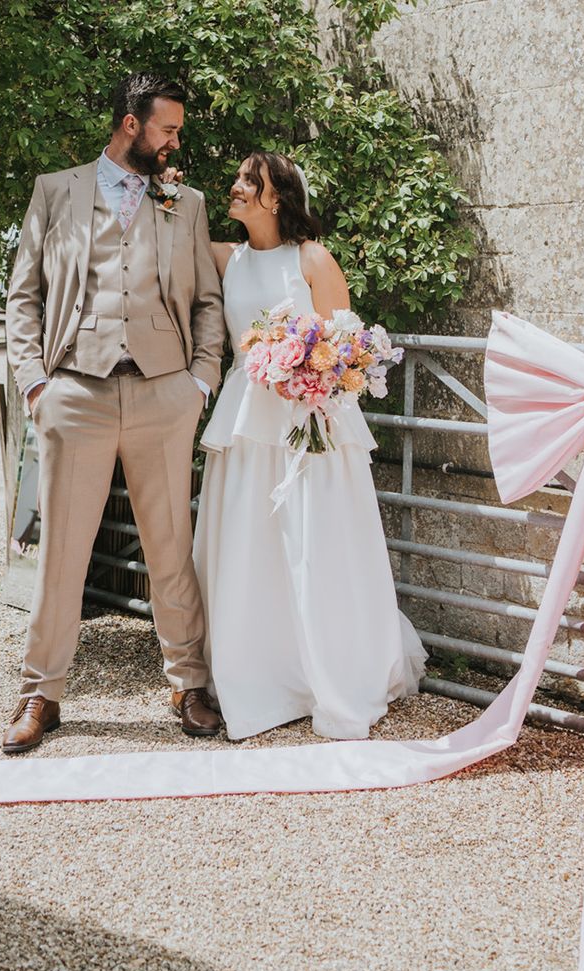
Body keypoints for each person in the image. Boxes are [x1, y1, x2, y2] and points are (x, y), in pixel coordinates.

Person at [2, 72, 225, 753]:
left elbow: (207, 304)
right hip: (76, 391)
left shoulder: (184, 203)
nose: (174, 140)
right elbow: (24, 297)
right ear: (131, 125)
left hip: (164, 394)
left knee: (170, 549)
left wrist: (201, 383)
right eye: (166, 128)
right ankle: (43, 691)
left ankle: (188, 683)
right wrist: (36, 384)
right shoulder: (55, 190)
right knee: (62, 552)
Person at [193, 151, 426, 740]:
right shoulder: (227, 258)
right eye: (240, 179)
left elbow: (346, 345)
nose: (237, 187)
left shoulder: (313, 259)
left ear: (277, 197)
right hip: (248, 422)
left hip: (308, 422)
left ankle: (331, 666)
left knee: (314, 541)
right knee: (248, 542)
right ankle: (257, 671)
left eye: (251, 181)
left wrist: (309, 375)